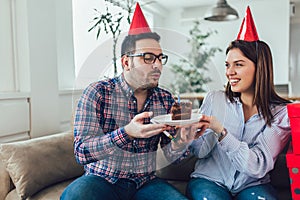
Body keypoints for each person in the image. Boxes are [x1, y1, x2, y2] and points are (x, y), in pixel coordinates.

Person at [61, 3, 204, 200]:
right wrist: (127, 132)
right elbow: (82, 153)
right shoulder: (97, 93)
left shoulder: (165, 98)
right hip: (102, 179)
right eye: (148, 58)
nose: (157, 65)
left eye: (160, 58)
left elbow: (172, 156)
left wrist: (182, 141)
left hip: (145, 182)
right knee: (76, 196)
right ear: (126, 62)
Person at [185, 6, 291, 200]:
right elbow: (200, 152)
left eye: (238, 64)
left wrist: (221, 132)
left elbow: (257, 166)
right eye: (227, 65)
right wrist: (188, 134)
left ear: (260, 68)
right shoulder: (215, 99)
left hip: (252, 185)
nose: (229, 72)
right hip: (209, 181)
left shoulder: (281, 114)